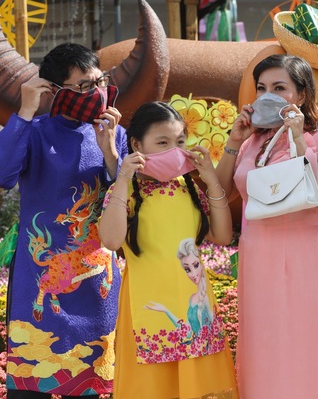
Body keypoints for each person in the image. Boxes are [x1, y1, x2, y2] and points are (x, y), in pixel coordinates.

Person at [216, 54, 318, 399]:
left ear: (301, 95)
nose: (267, 95)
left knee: (308, 341)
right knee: (264, 342)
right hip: (258, 253)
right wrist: (234, 141)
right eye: (261, 88)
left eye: (279, 88)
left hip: (305, 252)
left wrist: (300, 139)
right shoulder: (251, 143)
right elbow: (220, 195)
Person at [0, 42, 125, 398]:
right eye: (84, 86)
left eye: (100, 82)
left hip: (96, 275)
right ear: (55, 90)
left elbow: (127, 198)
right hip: (39, 273)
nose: (97, 93)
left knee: (96, 381)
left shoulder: (114, 133)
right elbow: (3, 174)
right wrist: (24, 112)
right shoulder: (33, 131)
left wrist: (110, 154)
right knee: (31, 383)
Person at [98, 101, 238, 399]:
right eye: (162, 143)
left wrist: (210, 179)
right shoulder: (124, 192)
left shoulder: (189, 189)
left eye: (180, 142)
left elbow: (223, 236)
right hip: (148, 311)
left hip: (196, 313)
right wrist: (122, 179)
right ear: (137, 145)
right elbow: (111, 241)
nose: (174, 150)